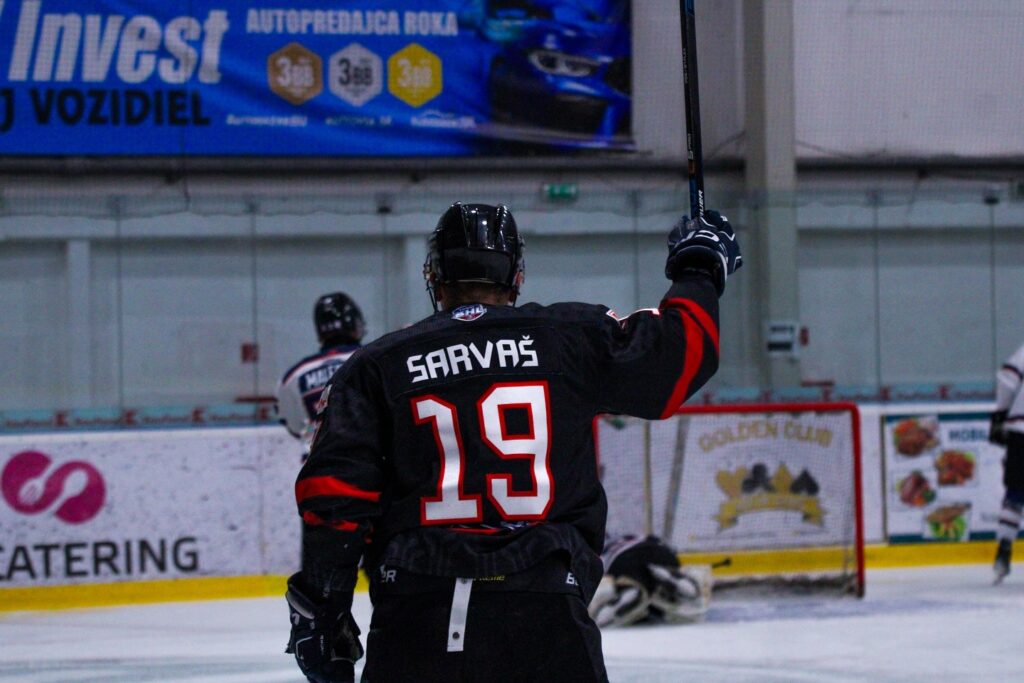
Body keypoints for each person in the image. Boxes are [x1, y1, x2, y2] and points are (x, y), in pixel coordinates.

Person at [284, 202, 741, 682]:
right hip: (544, 605)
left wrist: (324, 610)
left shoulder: (377, 364)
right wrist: (698, 270)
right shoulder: (568, 338)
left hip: (416, 610)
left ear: (434, 277)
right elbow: (676, 359)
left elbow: (334, 498)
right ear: (516, 276)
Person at [275, 292, 366, 460]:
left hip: (319, 467)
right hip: (367, 463)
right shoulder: (374, 360)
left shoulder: (293, 376)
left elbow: (295, 425)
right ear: (354, 323)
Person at [588, 534, 712, 628]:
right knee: (658, 591)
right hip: (657, 550)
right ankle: (673, 577)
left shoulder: (593, 550)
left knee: (634, 582)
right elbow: (657, 540)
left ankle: (629, 592)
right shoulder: (629, 536)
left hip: (622, 559)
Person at [989, 341, 1024, 583]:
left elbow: (1008, 377)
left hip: (1021, 430)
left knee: (1015, 493)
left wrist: (1001, 413)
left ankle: (1004, 547)